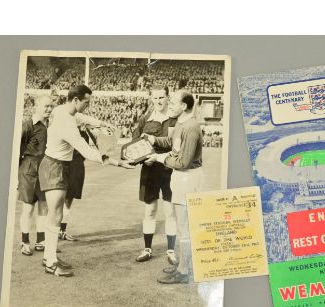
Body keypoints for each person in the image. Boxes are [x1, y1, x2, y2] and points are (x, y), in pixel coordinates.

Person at [38, 84, 134, 277]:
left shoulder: (64, 111)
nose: (88, 105)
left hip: (58, 165)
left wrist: (102, 124)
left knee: (55, 214)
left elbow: (82, 117)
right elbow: (86, 150)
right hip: (54, 166)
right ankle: (50, 261)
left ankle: (49, 257)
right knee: (55, 214)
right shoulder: (66, 122)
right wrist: (116, 162)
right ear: (75, 100)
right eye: (86, 102)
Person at [144, 90, 203, 284]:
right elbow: (171, 143)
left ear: (184, 106)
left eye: (173, 103)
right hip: (179, 177)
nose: (169, 104)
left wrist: (160, 157)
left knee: (184, 228)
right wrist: (154, 140)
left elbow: (184, 161)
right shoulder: (180, 123)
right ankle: (181, 266)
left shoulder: (192, 126)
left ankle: (184, 271)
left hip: (188, 177)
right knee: (180, 225)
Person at [131, 86, 178, 266]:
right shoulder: (145, 119)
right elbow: (134, 143)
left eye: (161, 98)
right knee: (149, 211)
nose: (158, 101)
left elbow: (174, 144)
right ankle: (147, 249)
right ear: (151, 98)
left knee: (169, 212)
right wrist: (143, 160)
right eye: (155, 98)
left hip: (169, 170)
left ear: (167, 98)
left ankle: (171, 250)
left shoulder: (174, 120)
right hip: (150, 170)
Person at [59, 114, 118, 242]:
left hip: (77, 165)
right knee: (57, 199)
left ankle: (62, 230)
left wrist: (97, 129)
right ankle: (51, 232)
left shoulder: (85, 130)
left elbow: (100, 146)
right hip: (63, 165)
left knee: (69, 200)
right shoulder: (66, 125)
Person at [18, 95, 54, 255]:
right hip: (29, 169)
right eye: (46, 106)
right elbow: (16, 153)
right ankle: (24, 242)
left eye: (51, 106)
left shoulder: (51, 125)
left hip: (45, 169)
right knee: (28, 208)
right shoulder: (27, 126)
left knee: (44, 206)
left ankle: (41, 240)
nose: (49, 109)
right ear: (37, 106)